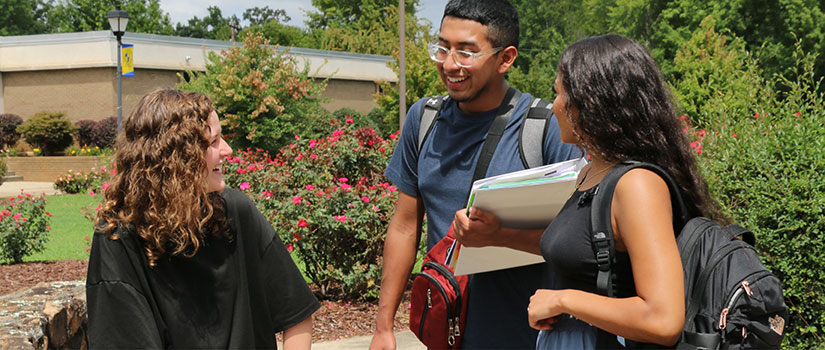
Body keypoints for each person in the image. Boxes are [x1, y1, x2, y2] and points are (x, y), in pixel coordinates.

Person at [370, 0, 580, 348]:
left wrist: (500, 235)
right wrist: (384, 326)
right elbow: (405, 225)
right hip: (446, 334)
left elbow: (575, 240)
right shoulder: (422, 120)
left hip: (528, 337)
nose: (449, 64)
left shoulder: (545, 128)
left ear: (505, 58)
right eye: (442, 48)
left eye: (466, 52)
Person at [528, 34, 729, 348]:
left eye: (557, 93)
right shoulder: (590, 173)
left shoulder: (636, 186)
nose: (553, 106)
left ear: (589, 100)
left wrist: (563, 300)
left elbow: (662, 319)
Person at [85, 88, 319, 348]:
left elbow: (296, 314)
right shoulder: (120, 237)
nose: (228, 150)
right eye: (213, 142)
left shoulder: (237, 212)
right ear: (176, 158)